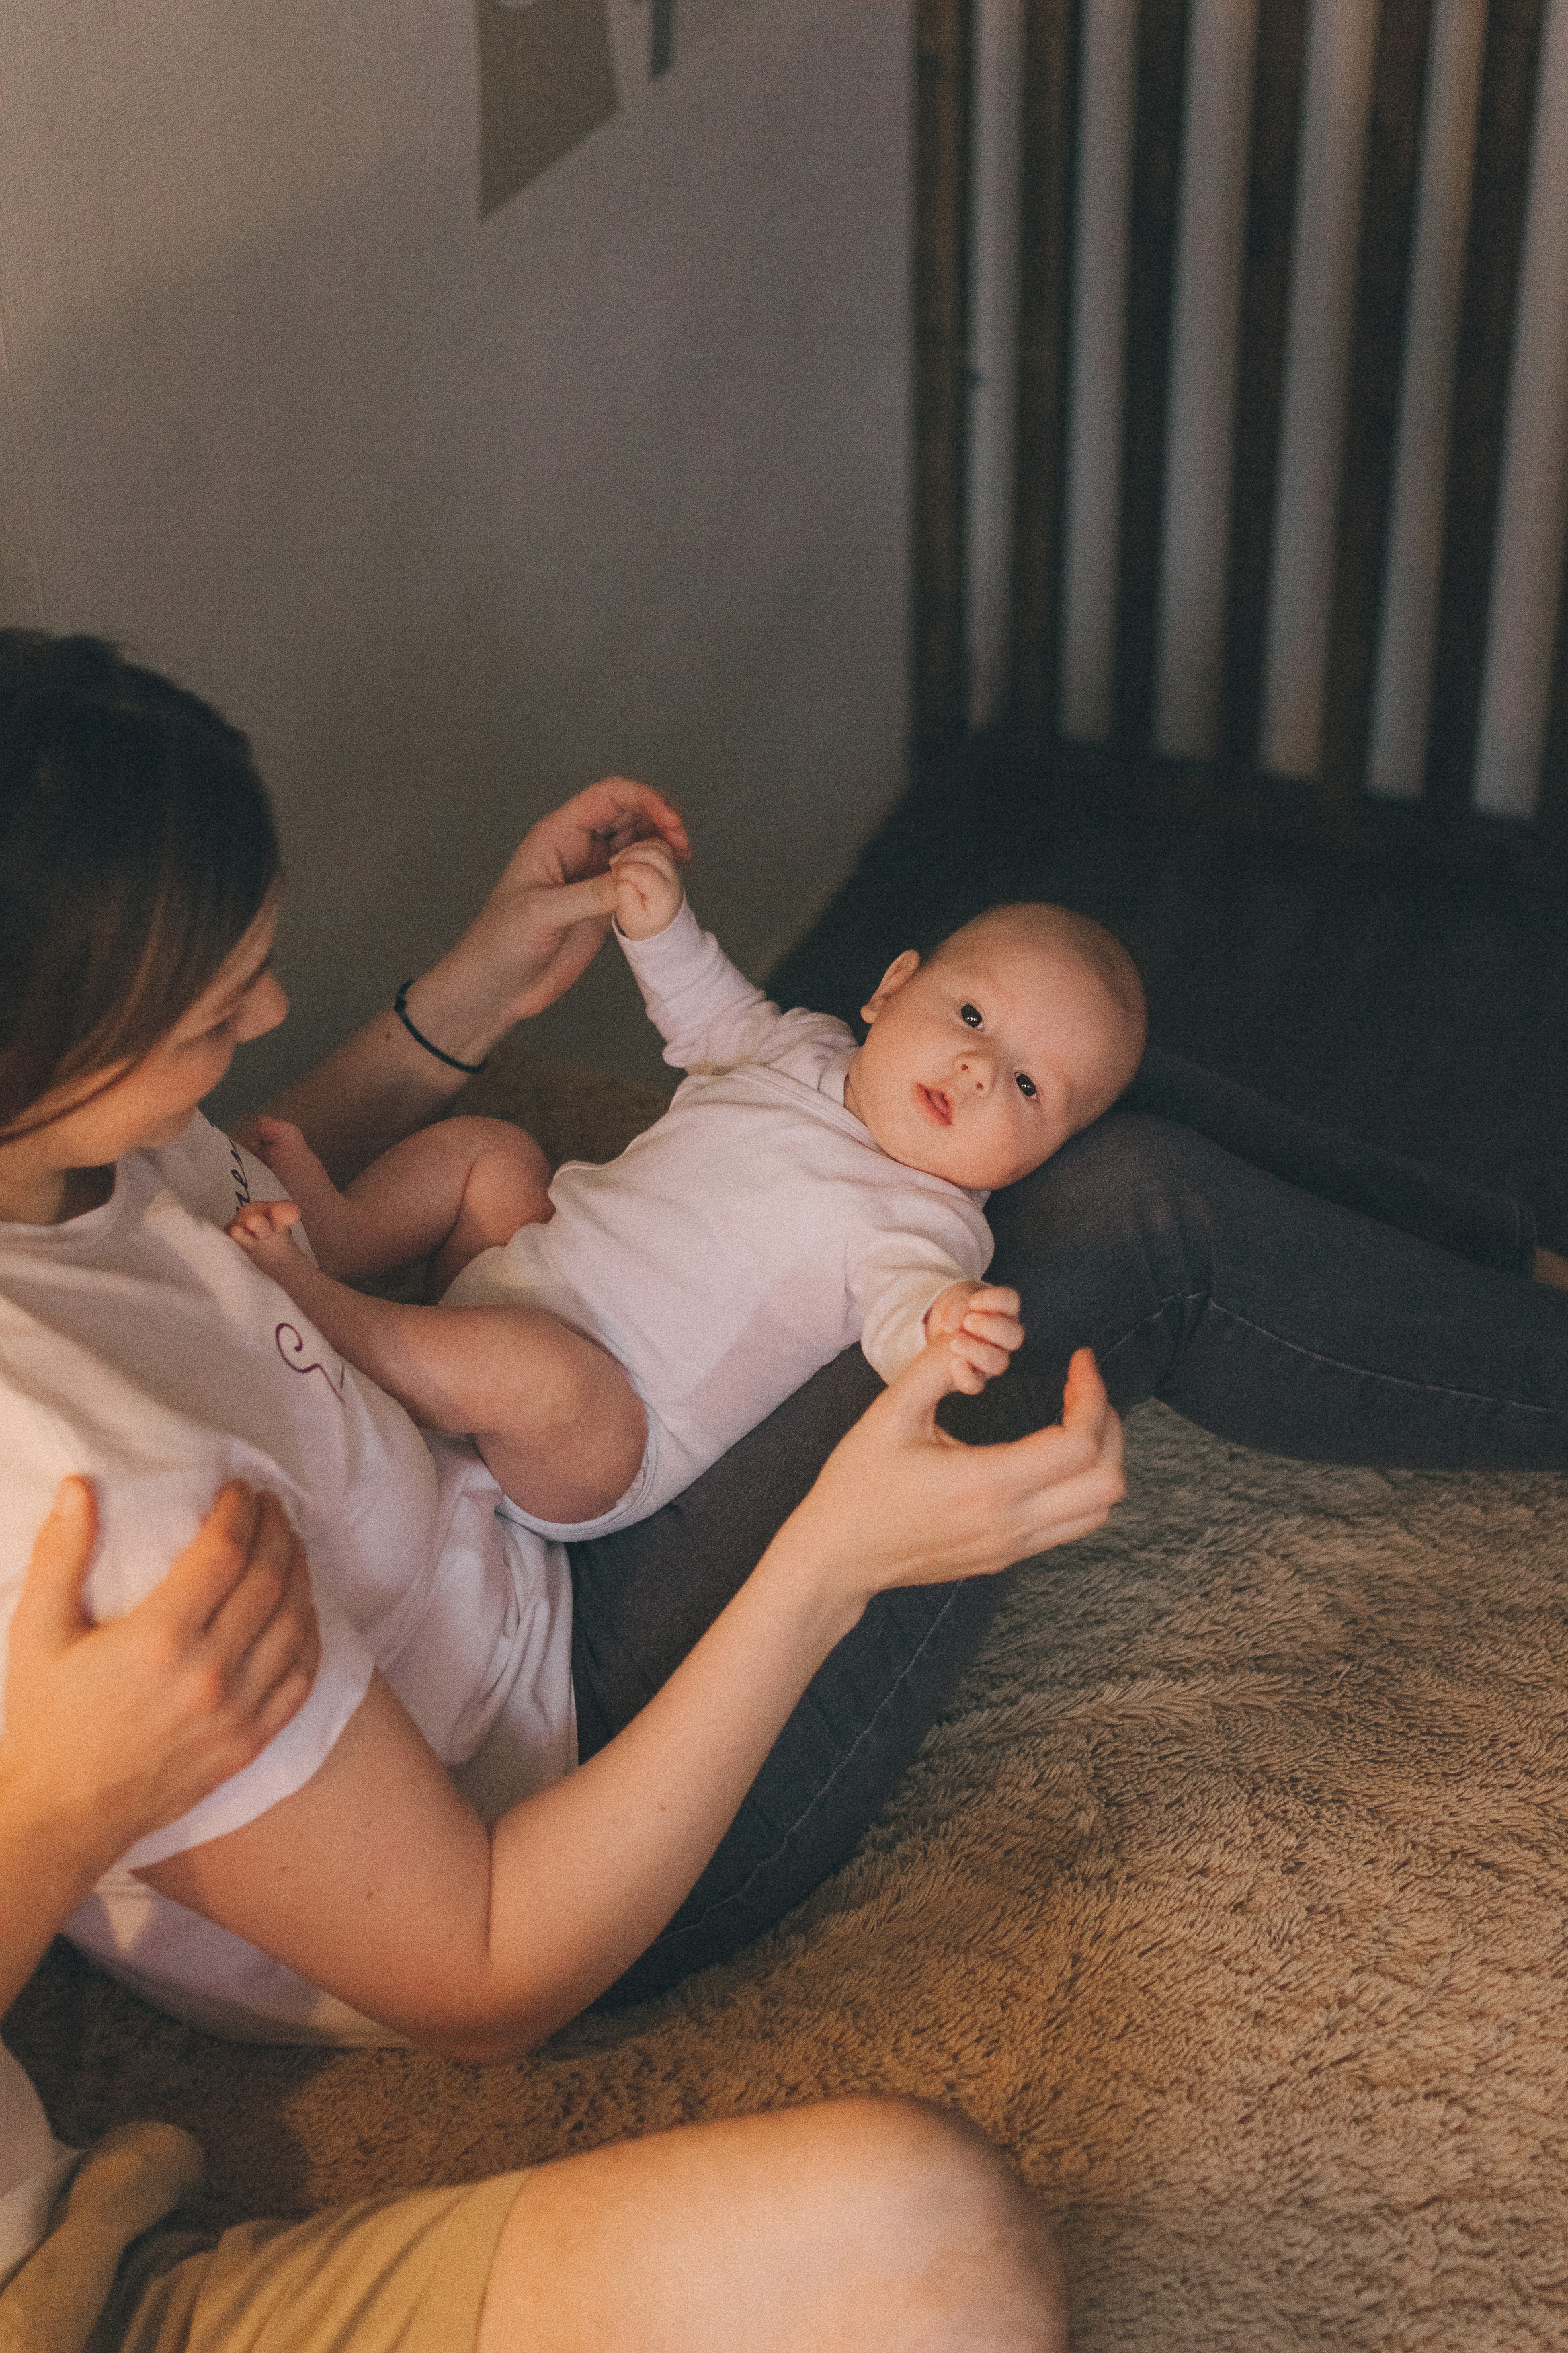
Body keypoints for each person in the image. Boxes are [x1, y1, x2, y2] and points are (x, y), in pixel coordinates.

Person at [5, 624, 1568, 2057]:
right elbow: (480, 1963)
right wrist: (834, 1553)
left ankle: (1507, 1260)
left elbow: (225, 1204)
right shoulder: (81, 1488)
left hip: (513, 1522)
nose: (273, 1011)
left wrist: (472, 990)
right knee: (1123, 1207)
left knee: (1058, 1059)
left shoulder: (51, 1158)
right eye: (213, 1015)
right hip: (573, 1801)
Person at [1, 1477, 1067, 2353]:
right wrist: (53, 1819)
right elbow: (487, 1966)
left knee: (917, 2235)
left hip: (93, 2261)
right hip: (536, 1834)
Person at [222, 834, 1146, 1535]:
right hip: (519, 1270)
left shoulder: (926, 1219)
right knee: (492, 1151)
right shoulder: (802, 1045)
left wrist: (943, 1327)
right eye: (973, 1014)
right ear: (890, 988)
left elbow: (904, 1303)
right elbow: (709, 1012)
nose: (979, 1069)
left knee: (544, 1374)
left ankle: (326, 1310)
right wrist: (658, 926)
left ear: (1038, 1158)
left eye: (1028, 1087)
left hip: (604, 1430)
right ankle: (341, 1237)